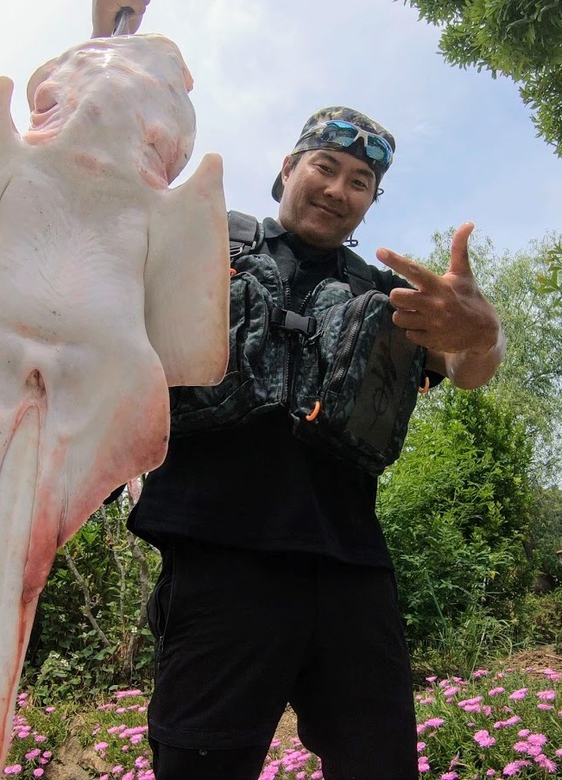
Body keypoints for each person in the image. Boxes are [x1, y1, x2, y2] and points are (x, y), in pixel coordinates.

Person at [92, 3, 506, 779]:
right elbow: (98, 189)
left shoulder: (392, 296)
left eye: (360, 182)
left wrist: (481, 336)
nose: (338, 189)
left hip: (351, 570)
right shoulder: (197, 237)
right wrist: (110, 43)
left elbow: (469, 370)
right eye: (325, 166)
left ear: (370, 204)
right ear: (288, 167)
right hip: (218, 557)